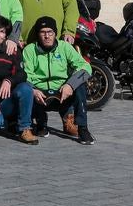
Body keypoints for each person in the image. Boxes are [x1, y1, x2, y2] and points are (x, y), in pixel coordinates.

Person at [22, 16, 95, 145]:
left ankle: (82, 127)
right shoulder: (29, 50)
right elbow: (25, 74)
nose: (47, 36)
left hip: (62, 91)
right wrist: (33, 89)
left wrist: (70, 85)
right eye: (43, 32)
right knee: (25, 90)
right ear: (38, 34)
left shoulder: (65, 47)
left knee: (80, 85)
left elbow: (85, 67)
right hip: (40, 93)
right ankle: (40, 122)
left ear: (55, 33)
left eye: (50, 32)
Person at [0, 15, 37, 144]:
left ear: (6, 35)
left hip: (6, 102)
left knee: (26, 88)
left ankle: (24, 128)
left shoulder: (12, 50)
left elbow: (22, 74)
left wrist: (9, 80)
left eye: (2, 32)